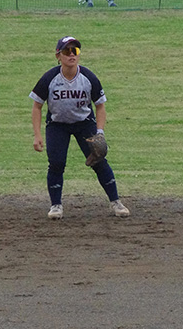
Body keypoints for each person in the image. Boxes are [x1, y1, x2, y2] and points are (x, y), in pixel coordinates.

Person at [30, 36, 130, 220]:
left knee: (99, 161)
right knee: (57, 163)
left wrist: (99, 132)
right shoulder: (50, 78)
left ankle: (116, 202)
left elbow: (100, 106)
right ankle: (56, 206)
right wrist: (37, 135)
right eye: (67, 51)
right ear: (58, 56)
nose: (71, 55)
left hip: (84, 123)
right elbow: (37, 106)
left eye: (75, 51)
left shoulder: (88, 78)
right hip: (57, 125)